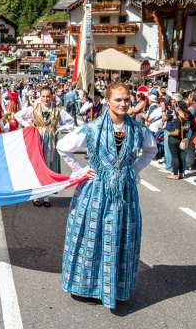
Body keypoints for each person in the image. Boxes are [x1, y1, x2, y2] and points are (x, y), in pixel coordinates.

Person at [57, 82, 157, 309]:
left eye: (126, 99)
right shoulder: (92, 128)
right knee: (92, 235)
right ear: (107, 101)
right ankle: (88, 286)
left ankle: (114, 286)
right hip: (95, 190)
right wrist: (80, 170)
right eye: (118, 99)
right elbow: (63, 146)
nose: (123, 104)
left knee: (119, 236)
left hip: (124, 192)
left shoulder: (137, 129)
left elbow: (151, 149)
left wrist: (135, 168)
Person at [16, 86, 74, 207]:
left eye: (48, 96)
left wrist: (59, 129)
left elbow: (70, 122)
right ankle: (36, 196)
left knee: (48, 166)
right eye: (43, 96)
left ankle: (46, 197)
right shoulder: (34, 109)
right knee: (37, 166)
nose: (46, 99)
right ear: (40, 97)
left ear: (52, 96)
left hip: (51, 141)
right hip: (37, 139)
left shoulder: (58, 110)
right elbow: (18, 115)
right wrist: (28, 125)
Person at [165, 101, 192, 180]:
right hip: (181, 139)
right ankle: (180, 173)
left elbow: (176, 132)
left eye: (176, 106)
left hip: (174, 139)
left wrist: (169, 133)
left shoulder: (178, 119)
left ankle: (175, 174)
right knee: (179, 156)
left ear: (179, 108)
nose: (175, 108)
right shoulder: (186, 118)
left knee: (174, 157)